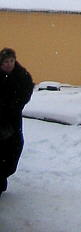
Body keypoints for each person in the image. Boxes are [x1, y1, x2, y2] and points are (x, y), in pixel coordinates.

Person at [0, 48, 34, 196]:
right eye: (6, 62)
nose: (9, 64)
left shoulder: (21, 75)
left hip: (13, 119)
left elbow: (26, 92)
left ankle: (3, 175)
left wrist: (14, 105)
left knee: (13, 148)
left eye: (11, 61)